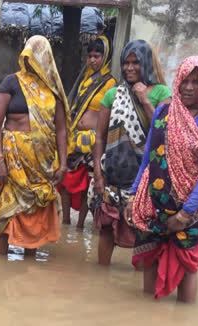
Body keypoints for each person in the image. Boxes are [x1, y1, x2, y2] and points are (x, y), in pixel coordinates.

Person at [128, 56, 198, 303]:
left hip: (189, 212)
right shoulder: (163, 113)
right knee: (149, 259)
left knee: (188, 266)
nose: (189, 87)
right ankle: (147, 316)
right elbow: (148, 158)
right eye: (185, 80)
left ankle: (183, 322)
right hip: (152, 206)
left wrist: (184, 215)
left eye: (197, 81)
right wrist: (132, 196)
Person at [0, 35, 69, 256]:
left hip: (41, 164)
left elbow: (61, 129)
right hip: (13, 161)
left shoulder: (54, 90)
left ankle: (29, 262)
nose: (33, 60)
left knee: (35, 213)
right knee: (6, 213)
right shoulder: (11, 82)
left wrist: (63, 164)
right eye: (29, 55)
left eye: (38, 56)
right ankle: (1, 264)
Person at [92, 40, 171, 265]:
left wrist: (145, 100)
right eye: (126, 63)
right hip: (113, 177)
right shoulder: (113, 94)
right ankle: (101, 276)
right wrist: (98, 174)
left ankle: (140, 284)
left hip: (145, 179)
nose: (129, 68)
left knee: (143, 232)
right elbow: (99, 137)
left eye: (135, 63)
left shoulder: (161, 93)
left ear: (145, 63)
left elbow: (165, 133)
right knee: (107, 228)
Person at [58, 35, 116, 227]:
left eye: (97, 56)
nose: (92, 60)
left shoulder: (110, 84)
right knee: (66, 179)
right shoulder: (83, 81)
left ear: (105, 57)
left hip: (93, 141)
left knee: (86, 184)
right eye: (90, 56)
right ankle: (65, 222)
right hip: (75, 139)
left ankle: (81, 225)